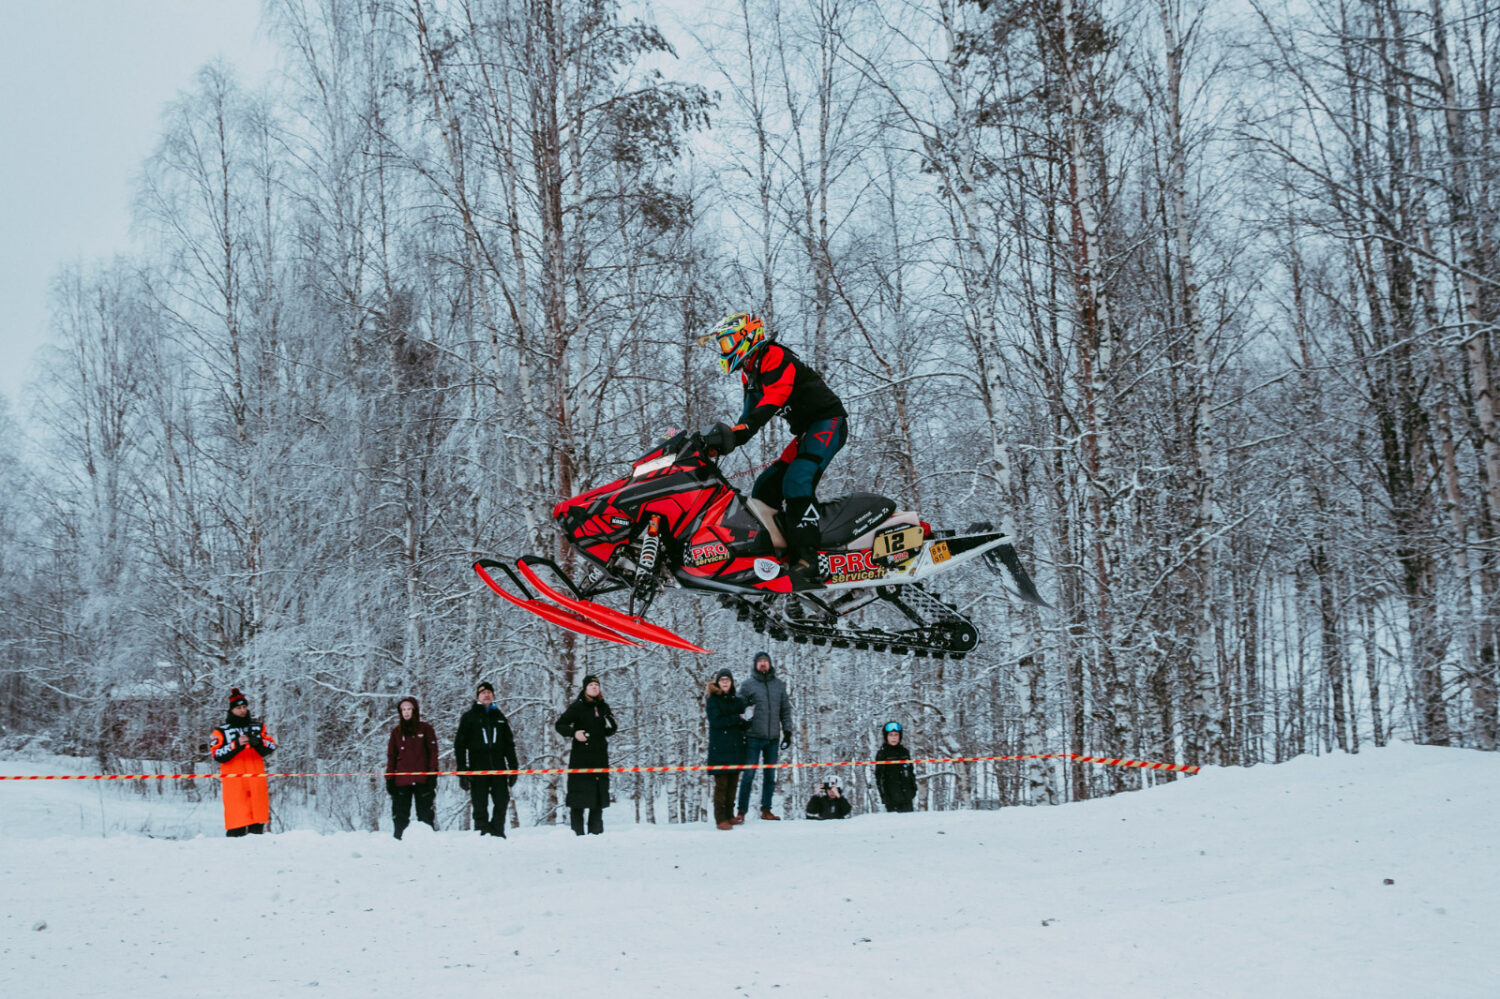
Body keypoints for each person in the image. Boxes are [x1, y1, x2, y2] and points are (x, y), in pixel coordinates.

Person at [696, 312, 849, 569]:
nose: (723, 349)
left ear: (746, 337)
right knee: (765, 487)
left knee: (797, 479)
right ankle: (777, 554)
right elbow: (747, 419)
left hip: (828, 422)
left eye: (726, 342)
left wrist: (742, 428)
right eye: (721, 345)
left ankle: (808, 557)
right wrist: (716, 443)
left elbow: (771, 401)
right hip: (806, 432)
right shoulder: (749, 372)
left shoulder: (774, 356)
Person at [208, 687, 277, 837]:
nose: (242, 710)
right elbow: (217, 755)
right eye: (238, 708)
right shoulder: (220, 731)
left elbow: (272, 746)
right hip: (235, 783)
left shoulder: (257, 727)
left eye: (244, 707)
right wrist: (235, 744)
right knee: (236, 824)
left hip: (256, 779)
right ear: (231, 710)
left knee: (257, 823)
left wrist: (257, 742)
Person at [454, 681, 519, 837]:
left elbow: (509, 744)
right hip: (478, 766)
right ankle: (482, 832)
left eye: (489, 692)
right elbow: (460, 745)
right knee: (479, 802)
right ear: (478, 696)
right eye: (483, 693)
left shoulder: (500, 717)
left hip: (498, 766)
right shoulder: (469, 717)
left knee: (502, 801)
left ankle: (497, 831)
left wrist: (513, 767)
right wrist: (462, 770)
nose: (487, 695)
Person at [555, 674, 617, 835]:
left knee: (598, 797)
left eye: (597, 685)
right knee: (579, 799)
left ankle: (596, 834)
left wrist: (609, 725)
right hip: (581, 758)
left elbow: (611, 728)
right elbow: (560, 724)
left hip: (600, 757)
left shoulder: (604, 706)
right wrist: (574, 733)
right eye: (591, 686)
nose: (595, 688)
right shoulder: (578, 706)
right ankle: (577, 834)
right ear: (585, 689)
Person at [736, 650, 793, 822]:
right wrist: (742, 724)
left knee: (770, 776)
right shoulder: (747, 685)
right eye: (759, 661)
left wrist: (788, 732)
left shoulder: (779, 685)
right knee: (748, 775)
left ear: (770, 664)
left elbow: (785, 709)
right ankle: (741, 812)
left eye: (765, 661)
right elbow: (738, 708)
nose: (763, 664)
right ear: (755, 664)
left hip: (773, 738)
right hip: (753, 737)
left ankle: (766, 810)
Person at [385, 696, 439, 839]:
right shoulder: (396, 732)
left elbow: (433, 752)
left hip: (423, 780)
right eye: (403, 709)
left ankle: (428, 841)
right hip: (402, 782)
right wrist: (389, 778)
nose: (406, 712)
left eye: (409, 709)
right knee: (400, 815)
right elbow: (391, 756)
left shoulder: (426, 729)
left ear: (415, 710)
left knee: (426, 814)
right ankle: (399, 841)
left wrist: (432, 774)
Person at [705, 668, 748, 831]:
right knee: (721, 785)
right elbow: (716, 721)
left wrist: (744, 722)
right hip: (720, 749)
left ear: (731, 682)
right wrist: (735, 719)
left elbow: (741, 718)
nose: (724, 682)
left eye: (727, 679)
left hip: (736, 747)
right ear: (717, 682)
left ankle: (730, 815)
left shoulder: (736, 700)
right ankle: (720, 818)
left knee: (732, 784)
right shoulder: (713, 700)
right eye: (722, 679)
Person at [875, 720, 917, 813]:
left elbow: (911, 771)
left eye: (896, 735)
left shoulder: (904, 752)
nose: (893, 738)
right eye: (891, 735)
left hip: (906, 796)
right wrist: (884, 796)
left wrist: (913, 789)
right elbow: (879, 776)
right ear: (886, 737)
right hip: (891, 796)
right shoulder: (882, 753)